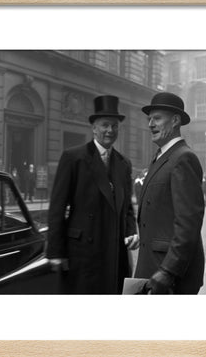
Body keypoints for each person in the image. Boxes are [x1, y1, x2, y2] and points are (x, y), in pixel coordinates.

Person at [46, 95, 139, 294]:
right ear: (94, 128)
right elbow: (57, 207)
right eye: (105, 125)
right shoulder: (74, 157)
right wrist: (56, 251)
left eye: (115, 126)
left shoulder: (124, 163)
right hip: (82, 251)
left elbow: (127, 208)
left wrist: (131, 231)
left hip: (114, 250)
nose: (110, 130)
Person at [134, 92, 205, 294]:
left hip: (169, 273)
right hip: (153, 265)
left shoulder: (183, 158)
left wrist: (168, 270)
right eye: (149, 119)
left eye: (157, 118)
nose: (150, 124)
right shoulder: (162, 157)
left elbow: (188, 223)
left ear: (175, 121)